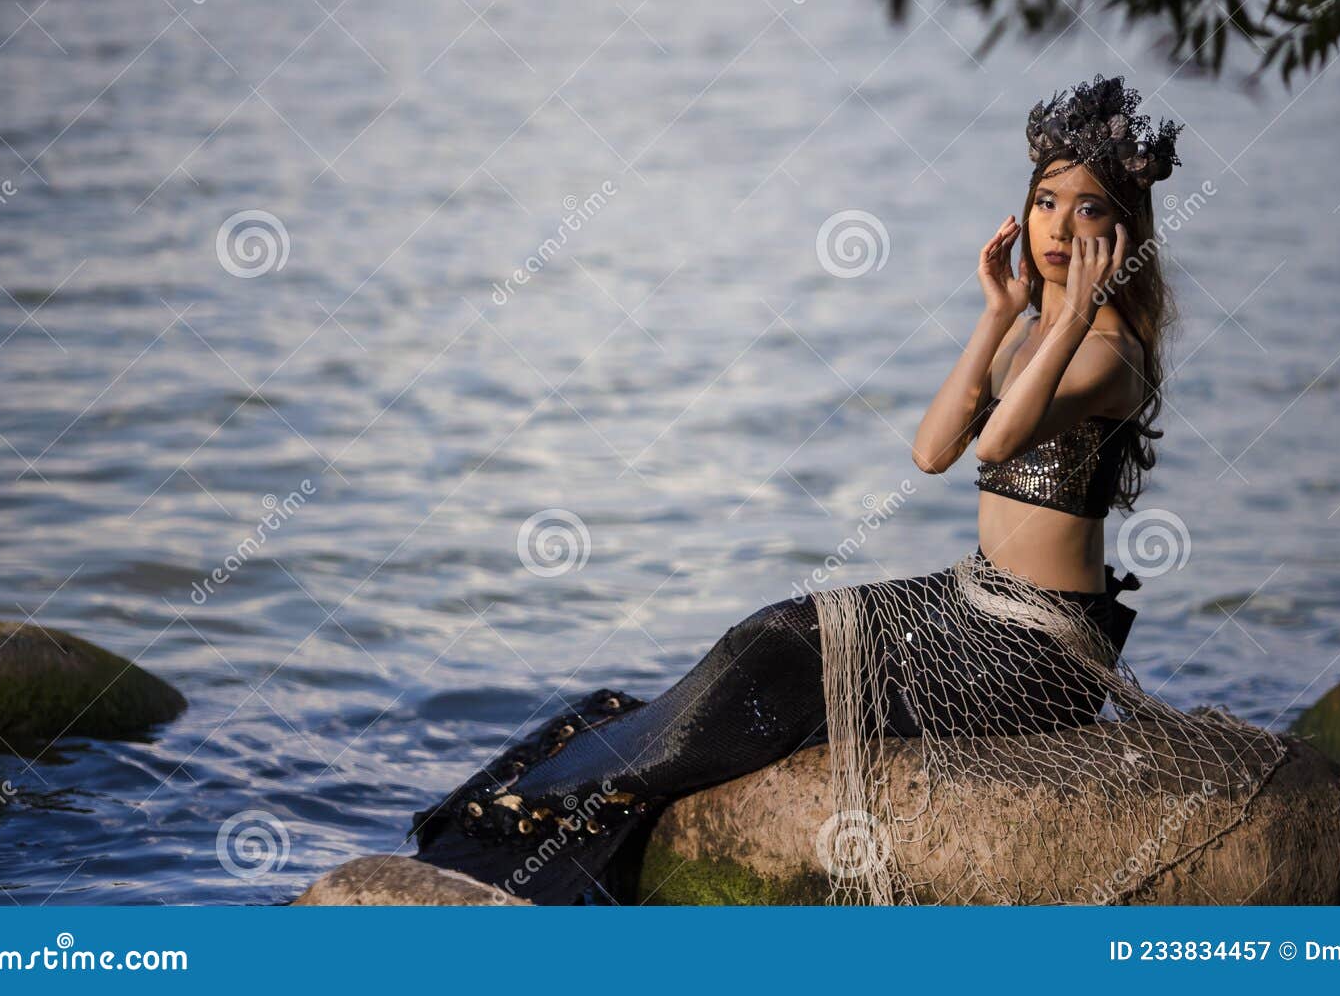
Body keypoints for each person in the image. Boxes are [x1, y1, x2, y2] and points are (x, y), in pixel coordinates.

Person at [410, 75, 1281, 905]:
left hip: (1036, 650)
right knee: (774, 633)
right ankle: (573, 785)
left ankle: (579, 808)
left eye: (1085, 208)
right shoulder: (1035, 330)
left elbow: (1004, 439)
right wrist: (996, 314)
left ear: (1122, 230)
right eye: (1045, 202)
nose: (1055, 227)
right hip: (973, 600)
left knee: (786, 656)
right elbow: (934, 449)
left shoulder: (1109, 351)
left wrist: (1080, 313)